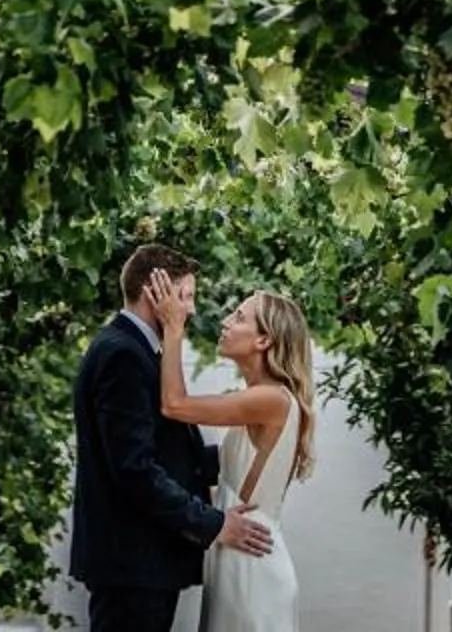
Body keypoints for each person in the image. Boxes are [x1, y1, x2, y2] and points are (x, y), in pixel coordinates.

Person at [70, 244, 275, 632]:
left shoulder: (133, 350)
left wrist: (256, 452)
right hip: (133, 563)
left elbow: (167, 454)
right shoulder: (123, 355)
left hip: (140, 564)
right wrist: (213, 523)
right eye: (186, 297)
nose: (192, 310)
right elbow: (135, 470)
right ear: (156, 292)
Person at [146, 271, 314, 632]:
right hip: (237, 553)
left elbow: (174, 404)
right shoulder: (259, 397)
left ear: (264, 340)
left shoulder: (271, 399)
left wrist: (173, 328)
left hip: (253, 566)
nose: (225, 321)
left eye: (239, 317)